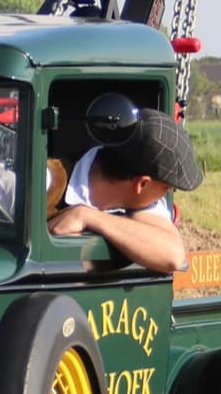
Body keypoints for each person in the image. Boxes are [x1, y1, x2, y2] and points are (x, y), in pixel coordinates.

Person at [49, 108, 199, 274]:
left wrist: (87, 216)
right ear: (142, 184)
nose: (165, 194)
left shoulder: (140, 204)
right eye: (168, 187)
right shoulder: (46, 181)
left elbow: (173, 255)